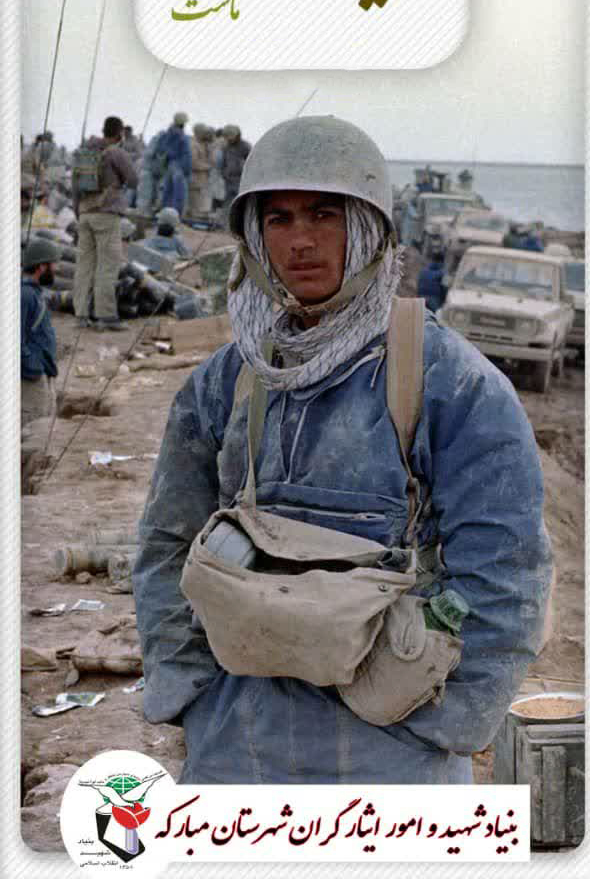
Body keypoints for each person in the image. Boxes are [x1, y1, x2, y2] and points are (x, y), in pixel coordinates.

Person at [133, 115, 552, 785]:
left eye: (324, 215)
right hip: (238, 745)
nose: (300, 240)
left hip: (394, 755)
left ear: (368, 230)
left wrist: (438, 726)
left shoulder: (450, 383)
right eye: (278, 218)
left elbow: (507, 572)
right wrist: (193, 698)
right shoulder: (225, 383)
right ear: (254, 237)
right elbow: (166, 543)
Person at [72, 115, 137, 331]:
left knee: (84, 266)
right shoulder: (116, 153)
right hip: (107, 215)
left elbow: (74, 186)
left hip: (84, 214)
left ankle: (81, 315)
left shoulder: (84, 153)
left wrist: (78, 211)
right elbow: (133, 180)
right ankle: (106, 315)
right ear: (120, 133)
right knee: (107, 265)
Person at [21, 237, 61, 428]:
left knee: (43, 427)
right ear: (41, 267)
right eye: (53, 264)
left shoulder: (35, 292)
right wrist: (33, 367)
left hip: (41, 373)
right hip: (31, 379)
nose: (56, 269)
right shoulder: (25, 295)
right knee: (31, 429)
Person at [159, 112, 192, 217]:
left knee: (167, 193)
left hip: (170, 165)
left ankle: (164, 215)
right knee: (179, 195)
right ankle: (176, 216)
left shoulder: (166, 134)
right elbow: (186, 155)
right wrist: (187, 171)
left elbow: (162, 149)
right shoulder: (182, 136)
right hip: (179, 167)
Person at [184, 123, 214, 221]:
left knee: (198, 201)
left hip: (201, 179)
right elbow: (193, 163)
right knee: (193, 200)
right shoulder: (193, 145)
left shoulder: (204, 144)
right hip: (195, 178)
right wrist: (207, 167)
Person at [216, 123, 251, 207]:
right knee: (228, 203)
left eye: (230, 137)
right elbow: (223, 162)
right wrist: (224, 173)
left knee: (241, 202)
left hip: (241, 181)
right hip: (228, 181)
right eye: (227, 137)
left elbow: (251, 163)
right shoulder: (225, 147)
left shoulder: (245, 146)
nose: (229, 139)